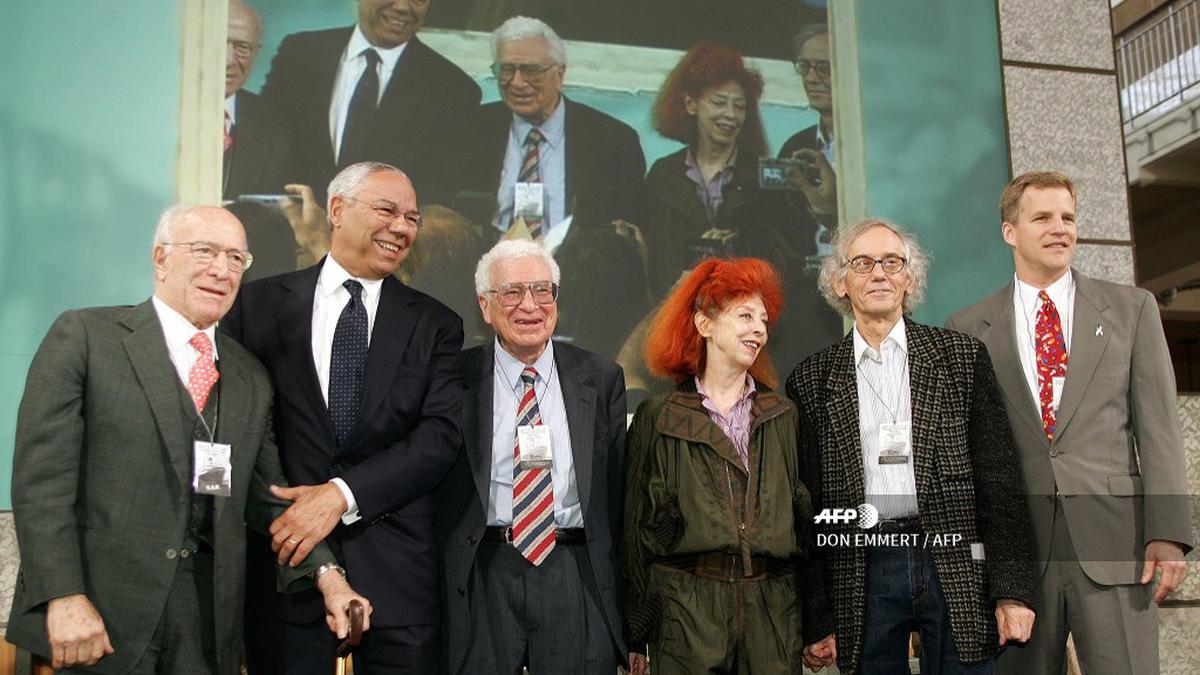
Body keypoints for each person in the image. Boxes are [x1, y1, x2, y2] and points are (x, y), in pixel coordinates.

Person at [6, 206, 370, 674]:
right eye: (205, 252)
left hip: (206, 630)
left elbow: (269, 498)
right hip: (96, 623)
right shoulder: (86, 338)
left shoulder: (249, 376)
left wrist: (329, 577)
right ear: (160, 259)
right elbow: (42, 485)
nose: (222, 270)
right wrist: (62, 595)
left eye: (237, 259)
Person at [222, 162, 464, 674]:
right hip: (287, 569)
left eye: (412, 218)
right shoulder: (256, 306)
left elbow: (438, 439)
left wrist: (341, 495)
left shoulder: (436, 323)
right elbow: (241, 433)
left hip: (397, 578)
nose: (402, 227)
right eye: (387, 210)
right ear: (336, 209)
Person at [947, 171, 1192, 674]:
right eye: (1043, 217)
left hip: (1118, 545)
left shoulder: (1132, 309)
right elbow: (967, 455)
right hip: (1017, 557)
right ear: (1009, 231)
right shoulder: (968, 328)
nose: (1060, 228)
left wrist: (1168, 531)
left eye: (1068, 217)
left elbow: (1160, 430)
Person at [786, 218, 1037, 674]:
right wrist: (819, 617)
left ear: (910, 278)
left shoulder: (961, 358)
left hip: (954, 560)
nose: (878, 273)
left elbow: (999, 480)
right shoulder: (810, 380)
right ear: (841, 282)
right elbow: (807, 510)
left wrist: (1012, 590)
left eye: (892, 262)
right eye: (862, 263)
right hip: (861, 567)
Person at [436, 240, 632, 673]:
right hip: (483, 570)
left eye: (543, 291)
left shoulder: (600, 379)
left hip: (573, 571)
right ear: (485, 307)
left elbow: (618, 493)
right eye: (512, 292)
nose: (530, 305)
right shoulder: (452, 377)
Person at [621, 257, 822, 674]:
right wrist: (634, 631)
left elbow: (807, 526)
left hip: (773, 615)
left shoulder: (784, 414)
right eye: (745, 315)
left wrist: (816, 622)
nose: (759, 330)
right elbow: (633, 530)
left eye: (764, 320)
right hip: (686, 615)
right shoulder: (659, 416)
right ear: (704, 324)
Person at [260, 0, 481, 207]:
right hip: (292, 230)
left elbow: (440, 188)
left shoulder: (454, 89)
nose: (403, 7)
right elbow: (266, 142)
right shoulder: (299, 54)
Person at [456, 16, 646, 240]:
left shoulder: (613, 141)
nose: (517, 82)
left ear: (560, 74)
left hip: (574, 270)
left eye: (530, 71)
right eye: (506, 69)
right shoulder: (469, 129)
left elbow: (626, 236)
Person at [222, 0, 293, 200]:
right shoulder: (166, 108)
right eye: (218, 42)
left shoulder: (273, 125)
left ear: (256, 52)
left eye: (242, 47)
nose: (228, 60)